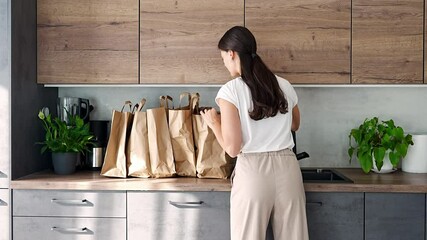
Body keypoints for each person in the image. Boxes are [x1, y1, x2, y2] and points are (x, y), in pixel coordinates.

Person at [200, 26, 309, 240]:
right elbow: (295, 124)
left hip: (253, 172)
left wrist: (214, 123)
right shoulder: (284, 85)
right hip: (288, 168)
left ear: (231, 53)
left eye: (223, 56)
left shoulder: (231, 91)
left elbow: (232, 148)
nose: (223, 62)